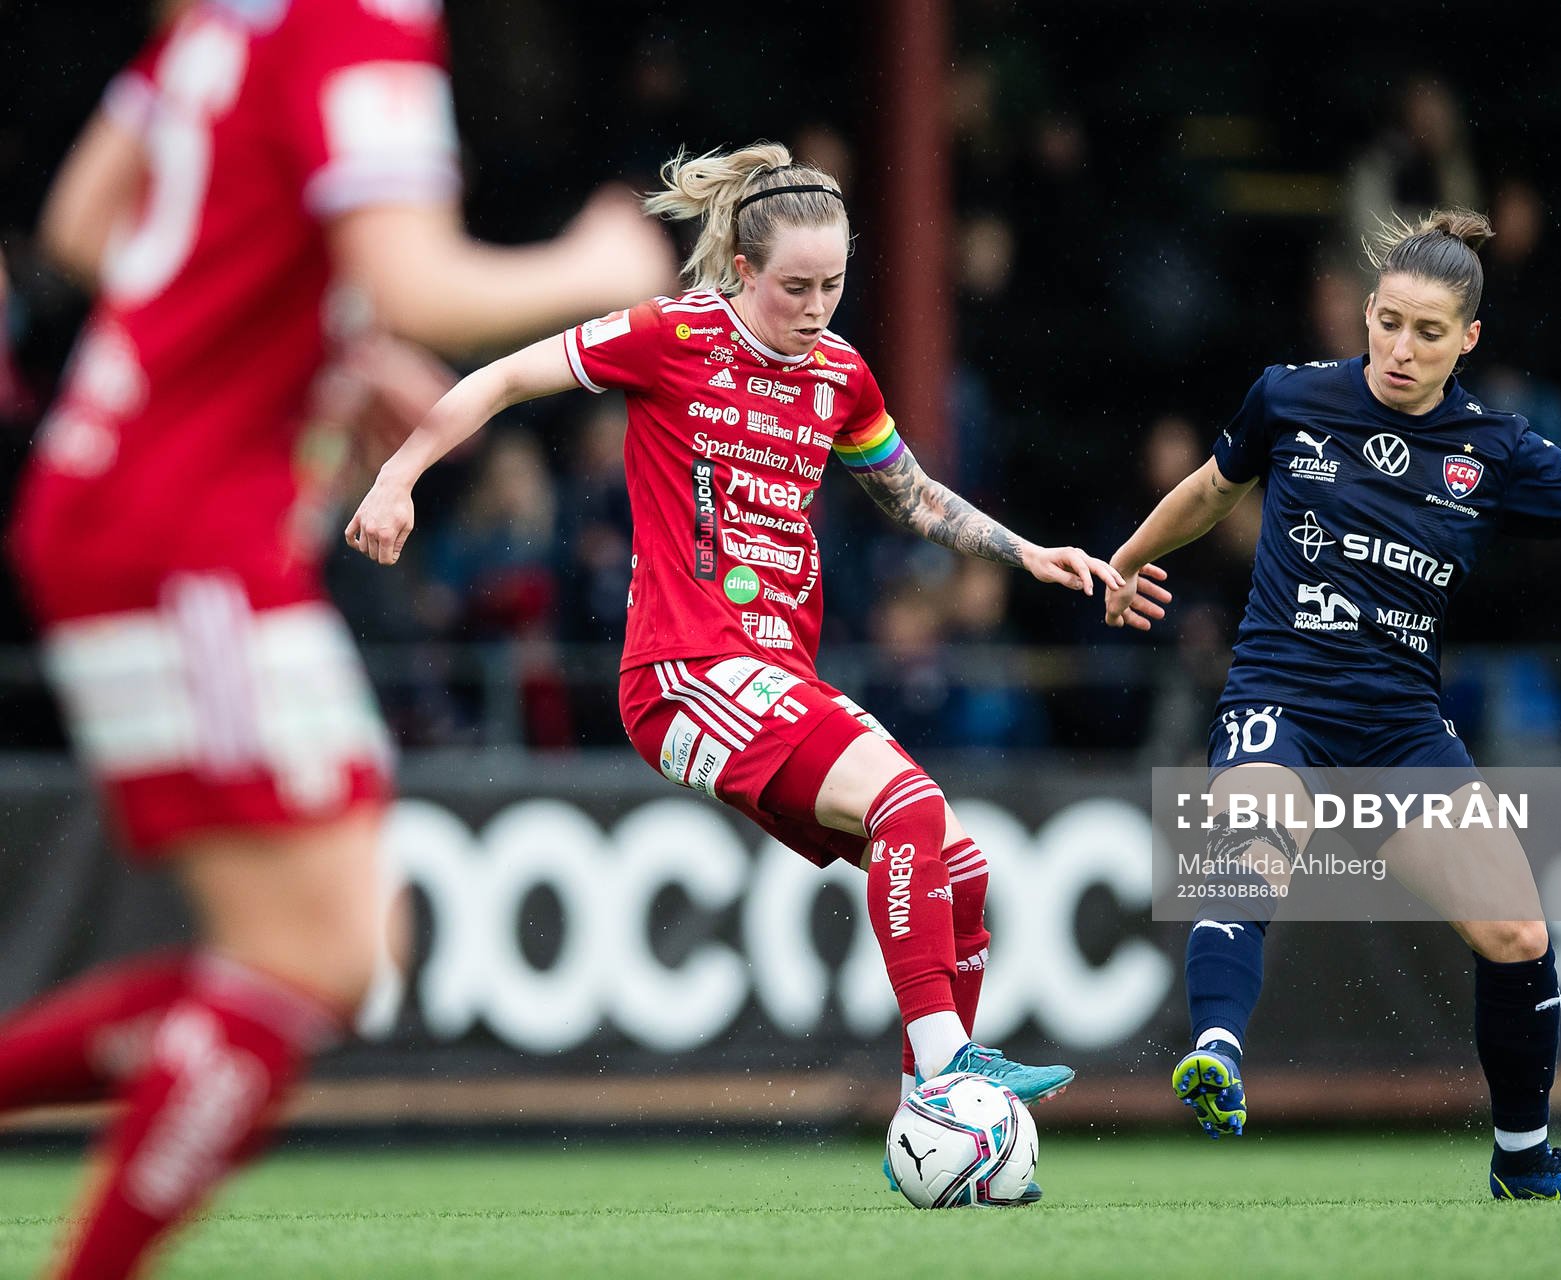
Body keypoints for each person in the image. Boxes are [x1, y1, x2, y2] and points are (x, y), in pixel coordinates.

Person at [343, 141, 1171, 1199]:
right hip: (683, 670)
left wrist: (1027, 552)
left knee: (957, 866)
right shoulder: (670, 336)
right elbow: (504, 376)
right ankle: (948, 1070)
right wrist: (398, 477)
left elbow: (912, 495)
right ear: (741, 268)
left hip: (778, 673)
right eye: (795, 287)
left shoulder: (841, 376)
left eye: (833, 285)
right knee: (912, 806)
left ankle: (932, 1113)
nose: (817, 309)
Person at [0, 2, 675, 1275]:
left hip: (151, 508)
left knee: (351, 953)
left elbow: (87, 222)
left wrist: (325, 345)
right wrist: (599, 268)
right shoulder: (357, 17)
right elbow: (420, 281)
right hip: (181, 528)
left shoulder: (232, 17)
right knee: (308, 961)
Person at [1102, 209, 1561, 1200]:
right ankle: (1217, 1054)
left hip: (1401, 727)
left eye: (1427, 332)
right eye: (1388, 323)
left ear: (1469, 339)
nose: (1400, 349)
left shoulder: (1494, 447)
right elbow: (1211, 487)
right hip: (1282, 696)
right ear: (1368, 312)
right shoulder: (1289, 396)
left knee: (1517, 934)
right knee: (1249, 850)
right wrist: (1128, 559)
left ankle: (1523, 1161)